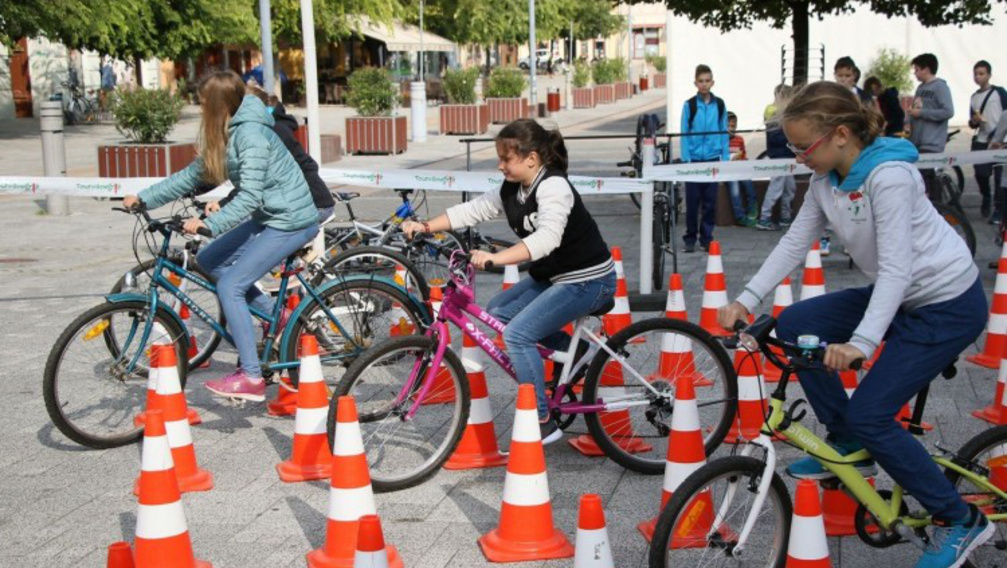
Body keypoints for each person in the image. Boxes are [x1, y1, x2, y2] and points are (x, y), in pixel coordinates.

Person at [719, 81, 992, 568]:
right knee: (796, 321)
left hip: (947, 302)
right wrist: (745, 298)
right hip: (902, 296)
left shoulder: (889, 177)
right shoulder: (826, 182)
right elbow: (793, 242)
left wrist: (862, 342)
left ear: (841, 135)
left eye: (804, 146)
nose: (798, 156)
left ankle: (960, 520)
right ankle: (846, 441)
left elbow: (896, 270)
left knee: (874, 413)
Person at [400, 119, 616, 444]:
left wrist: (494, 259)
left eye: (506, 159)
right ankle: (578, 352)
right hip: (556, 276)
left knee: (517, 335)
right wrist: (427, 226)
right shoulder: (512, 188)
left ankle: (541, 419)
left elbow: (546, 239)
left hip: (588, 279)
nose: (500, 166)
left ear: (531, 158)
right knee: (498, 313)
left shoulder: (553, 186)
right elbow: (474, 209)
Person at [122, 70, 319, 402]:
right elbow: (190, 176)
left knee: (231, 285)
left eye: (202, 104)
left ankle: (252, 376)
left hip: (291, 220)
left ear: (217, 105)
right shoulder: (229, 133)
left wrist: (209, 225)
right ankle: (279, 316)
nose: (200, 110)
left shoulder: (251, 135)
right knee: (209, 260)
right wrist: (144, 197)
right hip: (269, 216)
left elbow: (249, 197)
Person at [204, 87, 335, 225]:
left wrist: (224, 203)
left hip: (311, 205)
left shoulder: (270, 132)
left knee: (243, 239)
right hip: (288, 205)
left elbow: (256, 181)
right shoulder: (258, 129)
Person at [680, 64, 730, 252]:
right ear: (695, 83)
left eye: (707, 81)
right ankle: (690, 238)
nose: (704, 84)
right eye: (700, 81)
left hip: (712, 158)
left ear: (712, 82)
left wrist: (724, 157)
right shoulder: (689, 105)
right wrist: (686, 158)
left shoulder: (720, 105)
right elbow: (684, 132)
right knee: (692, 203)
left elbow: (723, 130)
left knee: (710, 202)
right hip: (694, 160)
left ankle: (707, 237)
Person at [907, 53, 954, 200]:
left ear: (926, 69)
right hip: (917, 141)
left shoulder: (940, 86)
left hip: (932, 141)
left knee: (926, 176)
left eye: (916, 69)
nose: (915, 73)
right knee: (921, 178)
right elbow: (916, 110)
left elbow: (948, 111)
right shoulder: (920, 88)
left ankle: (937, 207)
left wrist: (922, 113)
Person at [968, 60, 1007, 220]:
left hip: (999, 140)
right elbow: (971, 122)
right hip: (982, 140)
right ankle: (986, 196)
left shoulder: (999, 93)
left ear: (989, 75)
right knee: (981, 173)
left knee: (999, 177)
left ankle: (998, 208)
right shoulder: (974, 97)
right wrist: (975, 121)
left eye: (981, 73)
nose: (978, 77)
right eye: (975, 74)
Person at [757, 84, 796, 232]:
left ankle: (785, 217)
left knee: (789, 188)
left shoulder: (782, 112)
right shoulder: (773, 111)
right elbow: (775, 135)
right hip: (779, 155)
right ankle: (764, 218)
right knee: (776, 187)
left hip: (787, 154)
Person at [726, 111, 757, 227]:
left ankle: (752, 212)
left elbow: (743, 155)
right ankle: (740, 216)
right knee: (735, 191)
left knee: (749, 185)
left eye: (733, 126)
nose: (730, 129)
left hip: (740, 169)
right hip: (729, 172)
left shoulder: (739, 139)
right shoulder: (721, 140)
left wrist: (740, 157)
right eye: (728, 126)